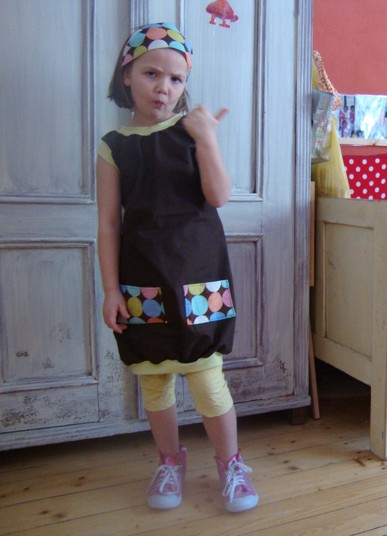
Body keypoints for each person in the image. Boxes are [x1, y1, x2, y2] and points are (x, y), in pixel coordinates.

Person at [96, 22, 258, 513]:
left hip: (200, 276)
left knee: (208, 378)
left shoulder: (192, 131)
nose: (163, 87)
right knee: (154, 379)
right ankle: (170, 461)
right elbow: (108, 223)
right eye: (151, 74)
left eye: (176, 79)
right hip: (141, 279)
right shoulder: (113, 145)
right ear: (127, 75)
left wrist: (206, 137)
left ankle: (231, 463)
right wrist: (110, 290)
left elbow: (219, 196)